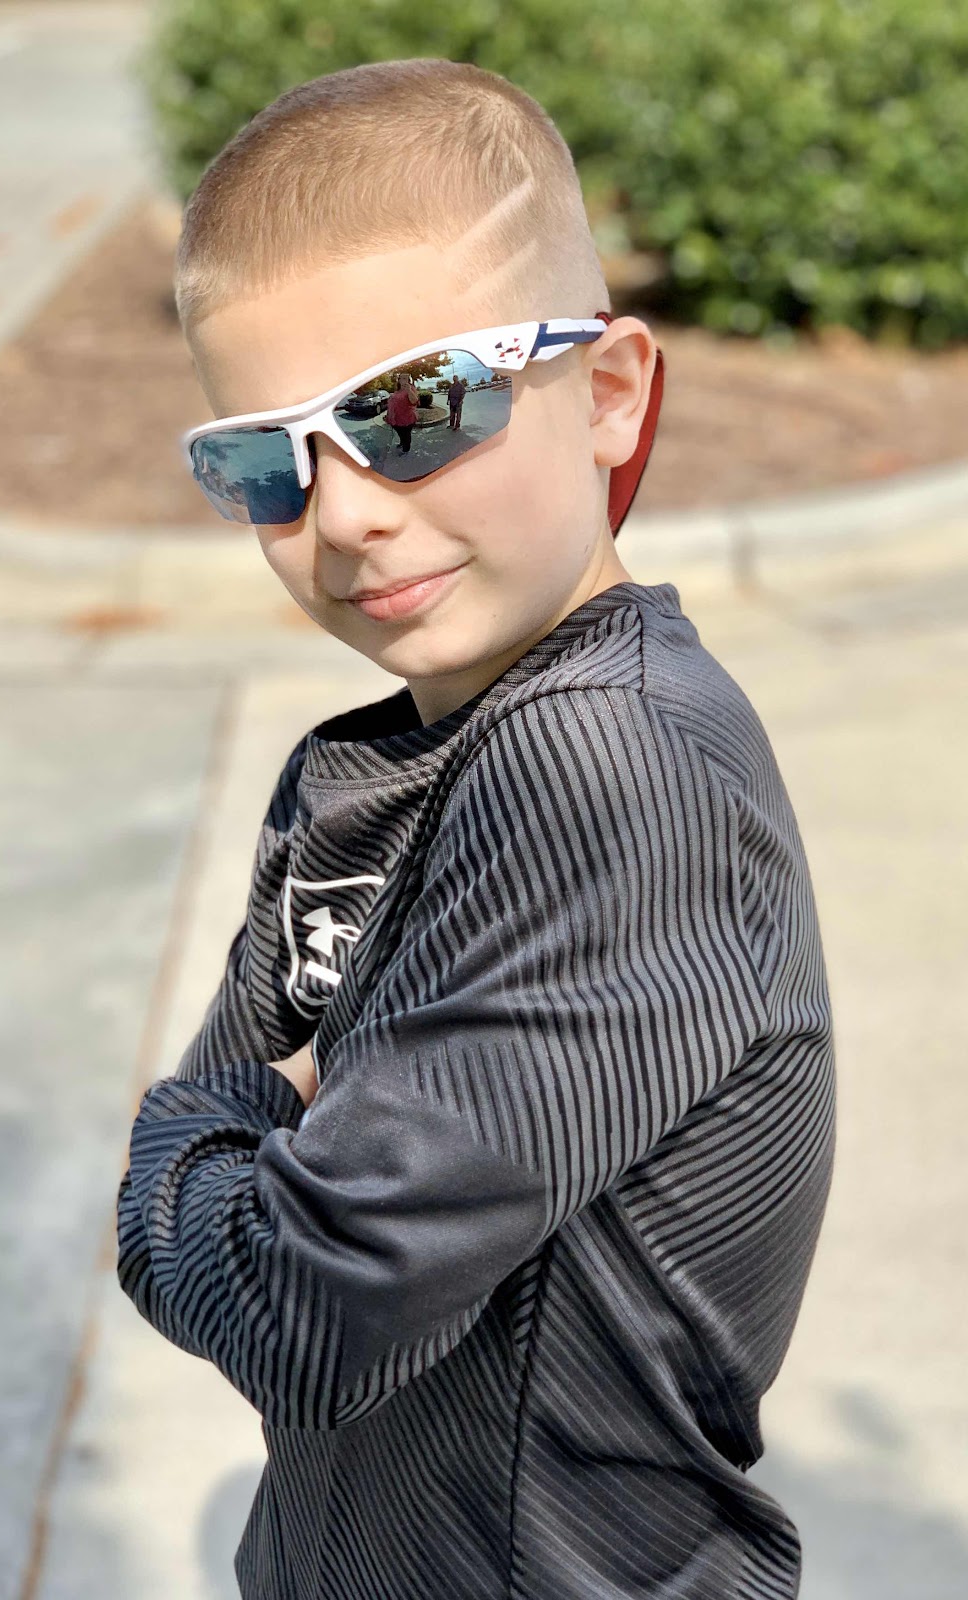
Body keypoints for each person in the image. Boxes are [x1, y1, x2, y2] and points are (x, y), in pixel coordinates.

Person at [116, 57, 836, 1600]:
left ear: (611, 394)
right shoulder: (360, 771)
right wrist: (249, 1129)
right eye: (267, 461)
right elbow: (239, 1201)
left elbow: (303, 1308)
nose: (347, 512)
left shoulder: (617, 769)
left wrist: (182, 1139)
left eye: (416, 410)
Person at [385, 368, 420, 451]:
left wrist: (409, 390)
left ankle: (406, 449)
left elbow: (414, 401)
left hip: (406, 419)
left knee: (406, 435)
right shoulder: (397, 390)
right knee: (400, 433)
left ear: (408, 380)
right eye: (401, 378)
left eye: (405, 378)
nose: (402, 380)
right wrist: (388, 414)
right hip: (395, 418)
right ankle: (402, 442)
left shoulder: (411, 388)